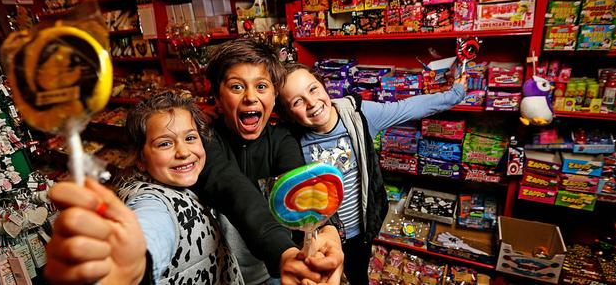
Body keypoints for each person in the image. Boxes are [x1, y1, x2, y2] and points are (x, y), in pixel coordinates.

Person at [277, 63, 467, 284]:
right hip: (317, 238)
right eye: (297, 101)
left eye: (313, 89)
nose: (312, 103)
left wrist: (455, 94)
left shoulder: (359, 115)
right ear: (288, 113)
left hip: (360, 233)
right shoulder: (288, 140)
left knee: (358, 277)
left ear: (322, 84)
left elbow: (408, 107)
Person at [46, 92, 244, 284]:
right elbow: (150, 226)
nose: (183, 152)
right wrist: (133, 266)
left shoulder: (188, 183)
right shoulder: (150, 199)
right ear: (140, 159)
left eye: (190, 138)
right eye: (165, 144)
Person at [200, 39, 344, 285]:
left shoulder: (282, 140)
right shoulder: (204, 140)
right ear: (216, 95)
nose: (250, 97)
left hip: (272, 271)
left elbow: (303, 185)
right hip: (217, 274)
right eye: (236, 87)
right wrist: (283, 253)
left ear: (275, 95)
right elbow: (232, 187)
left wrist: (328, 230)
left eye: (262, 86)